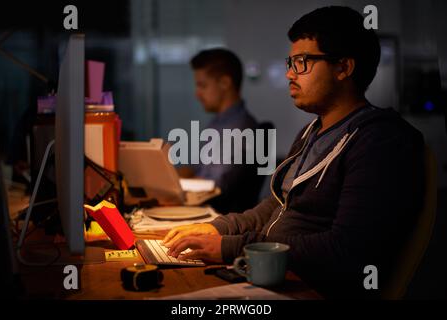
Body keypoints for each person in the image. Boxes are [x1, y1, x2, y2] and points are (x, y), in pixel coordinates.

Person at [163, 6, 425, 299]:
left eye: (302, 62)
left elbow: (346, 248)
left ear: (343, 67)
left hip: (310, 289)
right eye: (291, 62)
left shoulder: (379, 141)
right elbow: (273, 207)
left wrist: (230, 247)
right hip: (272, 274)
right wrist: (215, 228)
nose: (289, 73)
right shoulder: (312, 132)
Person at [181, 48, 260, 214]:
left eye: (202, 85)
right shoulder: (219, 122)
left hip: (213, 214)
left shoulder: (240, 128)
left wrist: (171, 186)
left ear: (225, 83)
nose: (197, 94)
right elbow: (197, 169)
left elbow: (212, 186)